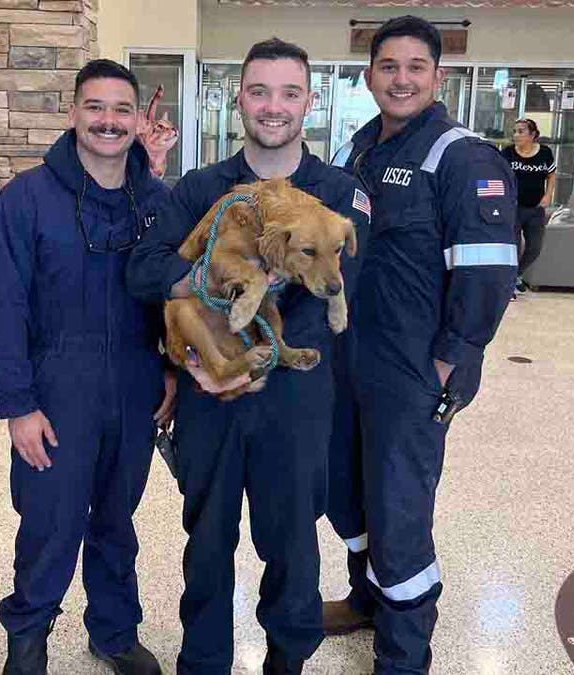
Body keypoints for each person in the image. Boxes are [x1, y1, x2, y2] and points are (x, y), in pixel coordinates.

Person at [126, 38, 371, 675]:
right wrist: (199, 332)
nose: (273, 106)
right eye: (259, 91)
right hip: (210, 393)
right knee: (206, 542)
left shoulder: (338, 196)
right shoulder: (205, 189)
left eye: (289, 92)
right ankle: (203, 662)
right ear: (239, 99)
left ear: (309, 102)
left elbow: (346, 291)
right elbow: (146, 269)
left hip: (294, 401)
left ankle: (287, 661)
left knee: (290, 542)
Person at [323, 16, 517, 674]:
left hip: (414, 369)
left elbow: (491, 270)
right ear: (369, 74)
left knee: (398, 504)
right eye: (388, 66)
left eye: (415, 67)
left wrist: (449, 358)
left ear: (438, 77)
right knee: (344, 485)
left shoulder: (461, 156)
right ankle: (365, 596)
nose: (400, 78)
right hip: (352, 358)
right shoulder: (361, 148)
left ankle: (403, 653)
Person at [0, 59, 174, 675]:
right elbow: (3, 307)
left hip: (137, 384)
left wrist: (170, 372)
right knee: (51, 521)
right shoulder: (26, 199)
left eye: (122, 109)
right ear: (73, 113)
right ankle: (29, 637)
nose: (108, 121)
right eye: (95, 107)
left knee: (117, 520)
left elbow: (176, 296)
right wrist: (17, 404)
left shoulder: (158, 201)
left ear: (138, 119)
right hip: (57, 388)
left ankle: (114, 633)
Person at [501, 118, 556, 293]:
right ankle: (509, 283)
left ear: (533, 135)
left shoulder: (545, 153)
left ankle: (516, 276)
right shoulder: (508, 153)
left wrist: (548, 195)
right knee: (514, 248)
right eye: (515, 131)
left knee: (535, 247)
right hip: (513, 208)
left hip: (536, 208)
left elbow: (551, 175)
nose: (516, 135)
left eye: (521, 131)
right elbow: (499, 175)